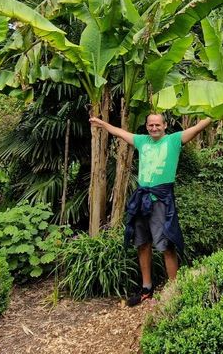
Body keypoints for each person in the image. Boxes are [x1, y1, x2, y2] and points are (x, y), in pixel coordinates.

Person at [88, 113, 211, 306]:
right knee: (142, 243)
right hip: (141, 199)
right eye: (151, 125)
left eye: (157, 125)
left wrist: (215, 115)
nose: (154, 128)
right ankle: (147, 288)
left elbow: (196, 128)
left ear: (165, 125)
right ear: (146, 127)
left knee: (166, 244)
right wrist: (102, 124)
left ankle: (174, 290)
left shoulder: (174, 140)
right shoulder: (141, 141)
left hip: (162, 200)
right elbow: (120, 133)